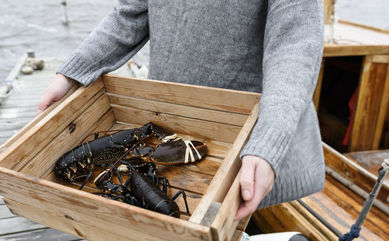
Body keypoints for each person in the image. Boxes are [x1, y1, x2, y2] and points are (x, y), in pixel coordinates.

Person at [37, 0, 325, 221]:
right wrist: (72, 74)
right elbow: (130, 13)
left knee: (233, 225)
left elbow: (295, 43)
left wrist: (268, 144)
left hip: (251, 140)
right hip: (169, 125)